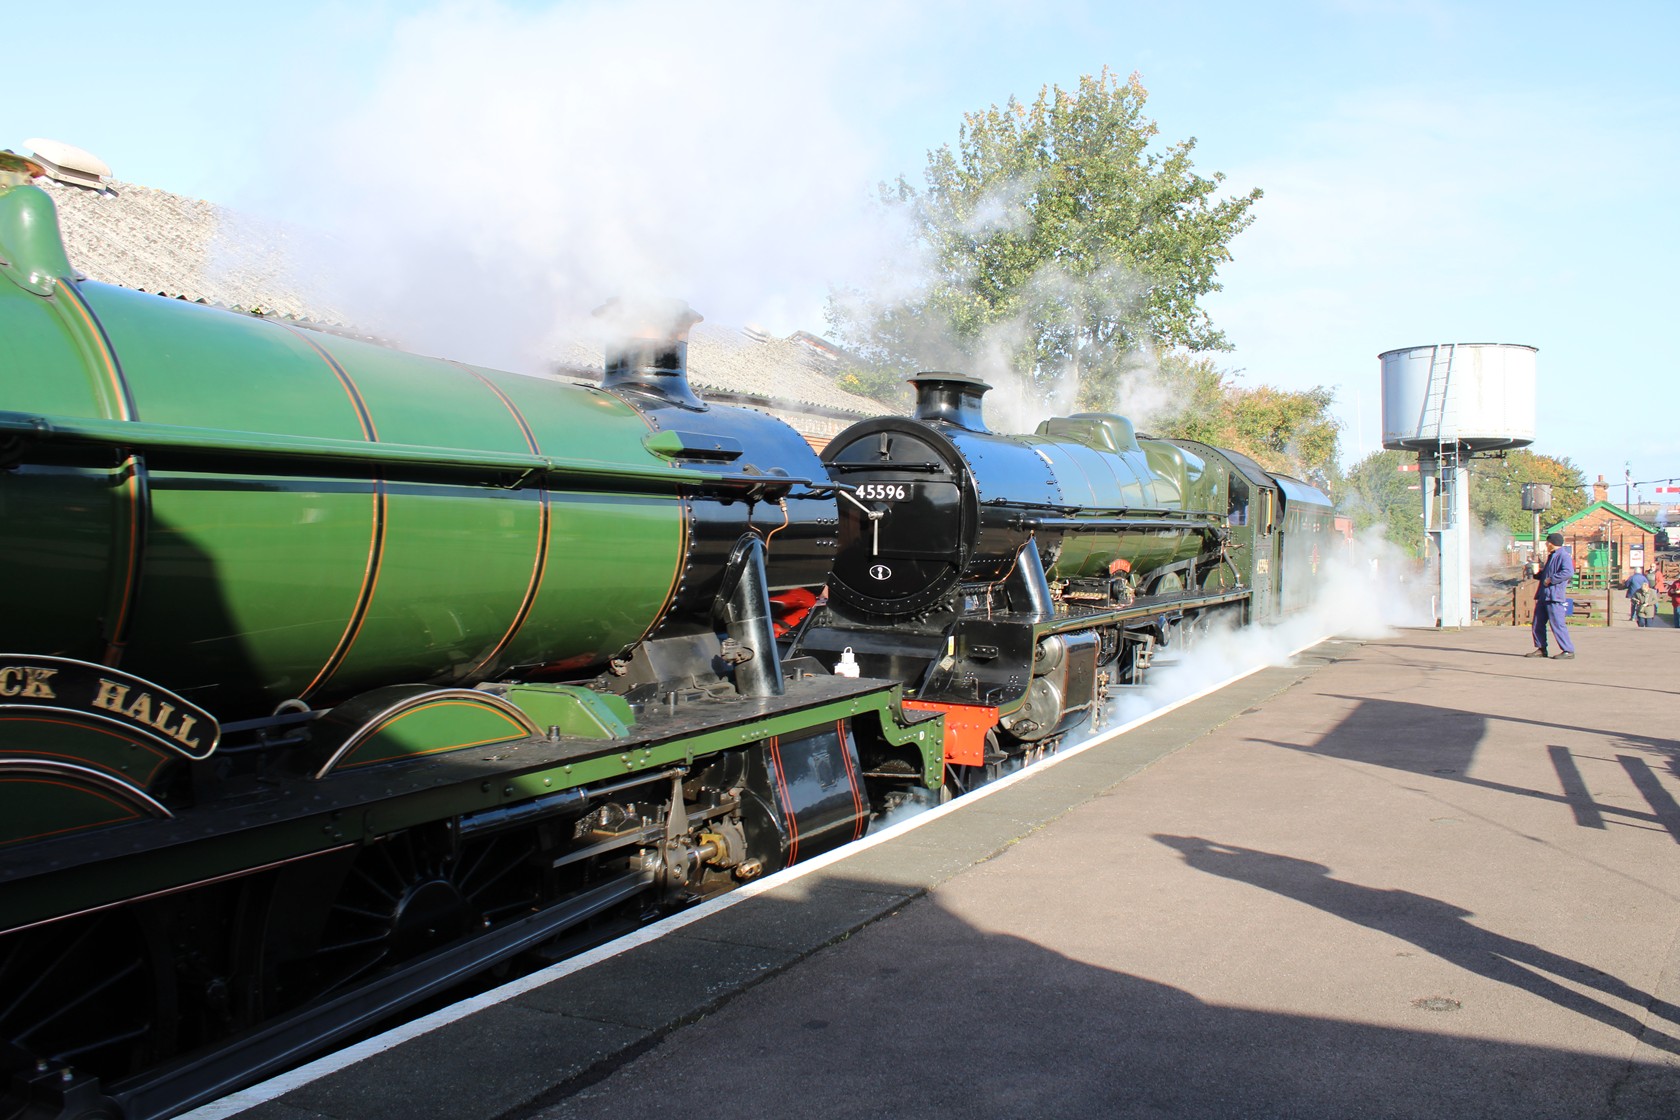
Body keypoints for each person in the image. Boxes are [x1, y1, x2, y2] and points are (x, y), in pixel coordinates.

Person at [1527, 533, 1576, 659]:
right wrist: (1538, 574)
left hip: (1554, 596)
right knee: (1537, 623)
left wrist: (1552, 579)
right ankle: (1541, 648)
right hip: (1544, 595)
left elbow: (1568, 572)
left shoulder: (1564, 556)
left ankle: (1568, 650)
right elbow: (1547, 574)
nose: (1546, 544)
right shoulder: (1552, 556)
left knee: (1558, 624)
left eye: (1547, 542)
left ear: (1552, 543)